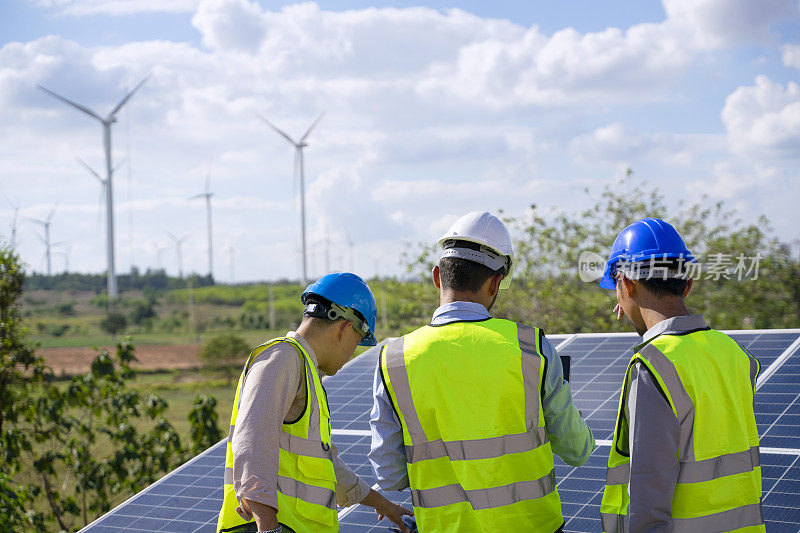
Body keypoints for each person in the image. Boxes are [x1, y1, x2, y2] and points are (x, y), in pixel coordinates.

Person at [368, 211, 594, 532]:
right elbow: (577, 450)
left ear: (437, 277)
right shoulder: (531, 346)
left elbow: (389, 474)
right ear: (495, 282)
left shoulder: (394, 357)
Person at [598, 217, 764, 533]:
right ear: (687, 285)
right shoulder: (736, 354)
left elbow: (647, 500)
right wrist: (636, 307)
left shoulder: (653, 366)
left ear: (627, 284)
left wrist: (636, 310)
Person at [217, 272, 413, 533]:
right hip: (274, 527)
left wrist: (383, 505)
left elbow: (326, 469)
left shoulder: (308, 375)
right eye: (356, 343)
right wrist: (267, 525)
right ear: (344, 329)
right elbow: (252, 440)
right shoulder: (282, 358)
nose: (350, 354)